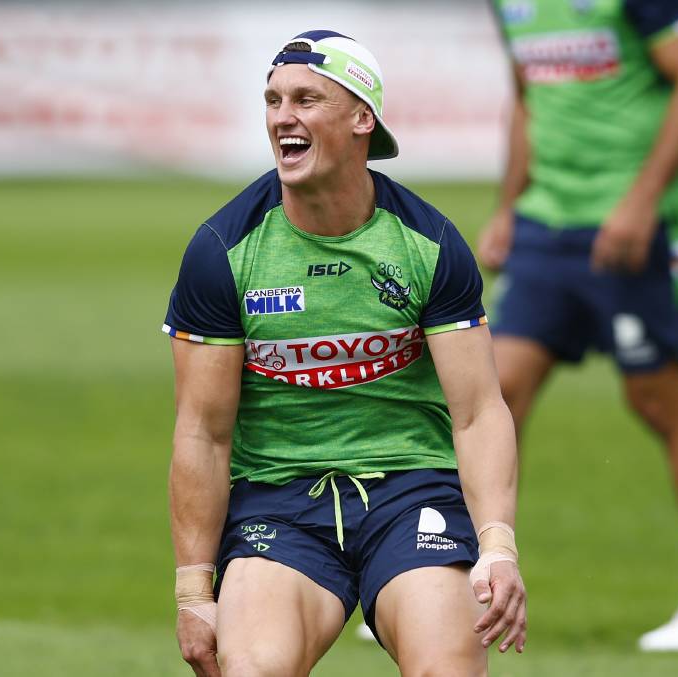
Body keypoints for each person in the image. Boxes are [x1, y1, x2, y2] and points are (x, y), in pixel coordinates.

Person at [164, 30, 527, 676]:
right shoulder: (223, 250)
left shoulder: (428, 243)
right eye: (273, 100)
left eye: (306, 98)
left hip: (412, 494)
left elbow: (477, 411)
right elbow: (203, 431)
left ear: (363, 118)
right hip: (279, 503)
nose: (283, 117)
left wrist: (498, 546)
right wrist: (194, 590)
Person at [479, 0, 678, 651]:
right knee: (494, 394)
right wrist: (507, 207)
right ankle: (453, 582)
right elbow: (526, 96)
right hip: (545, 225)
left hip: (636, 225)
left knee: (660, 399)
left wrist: (641, 201)